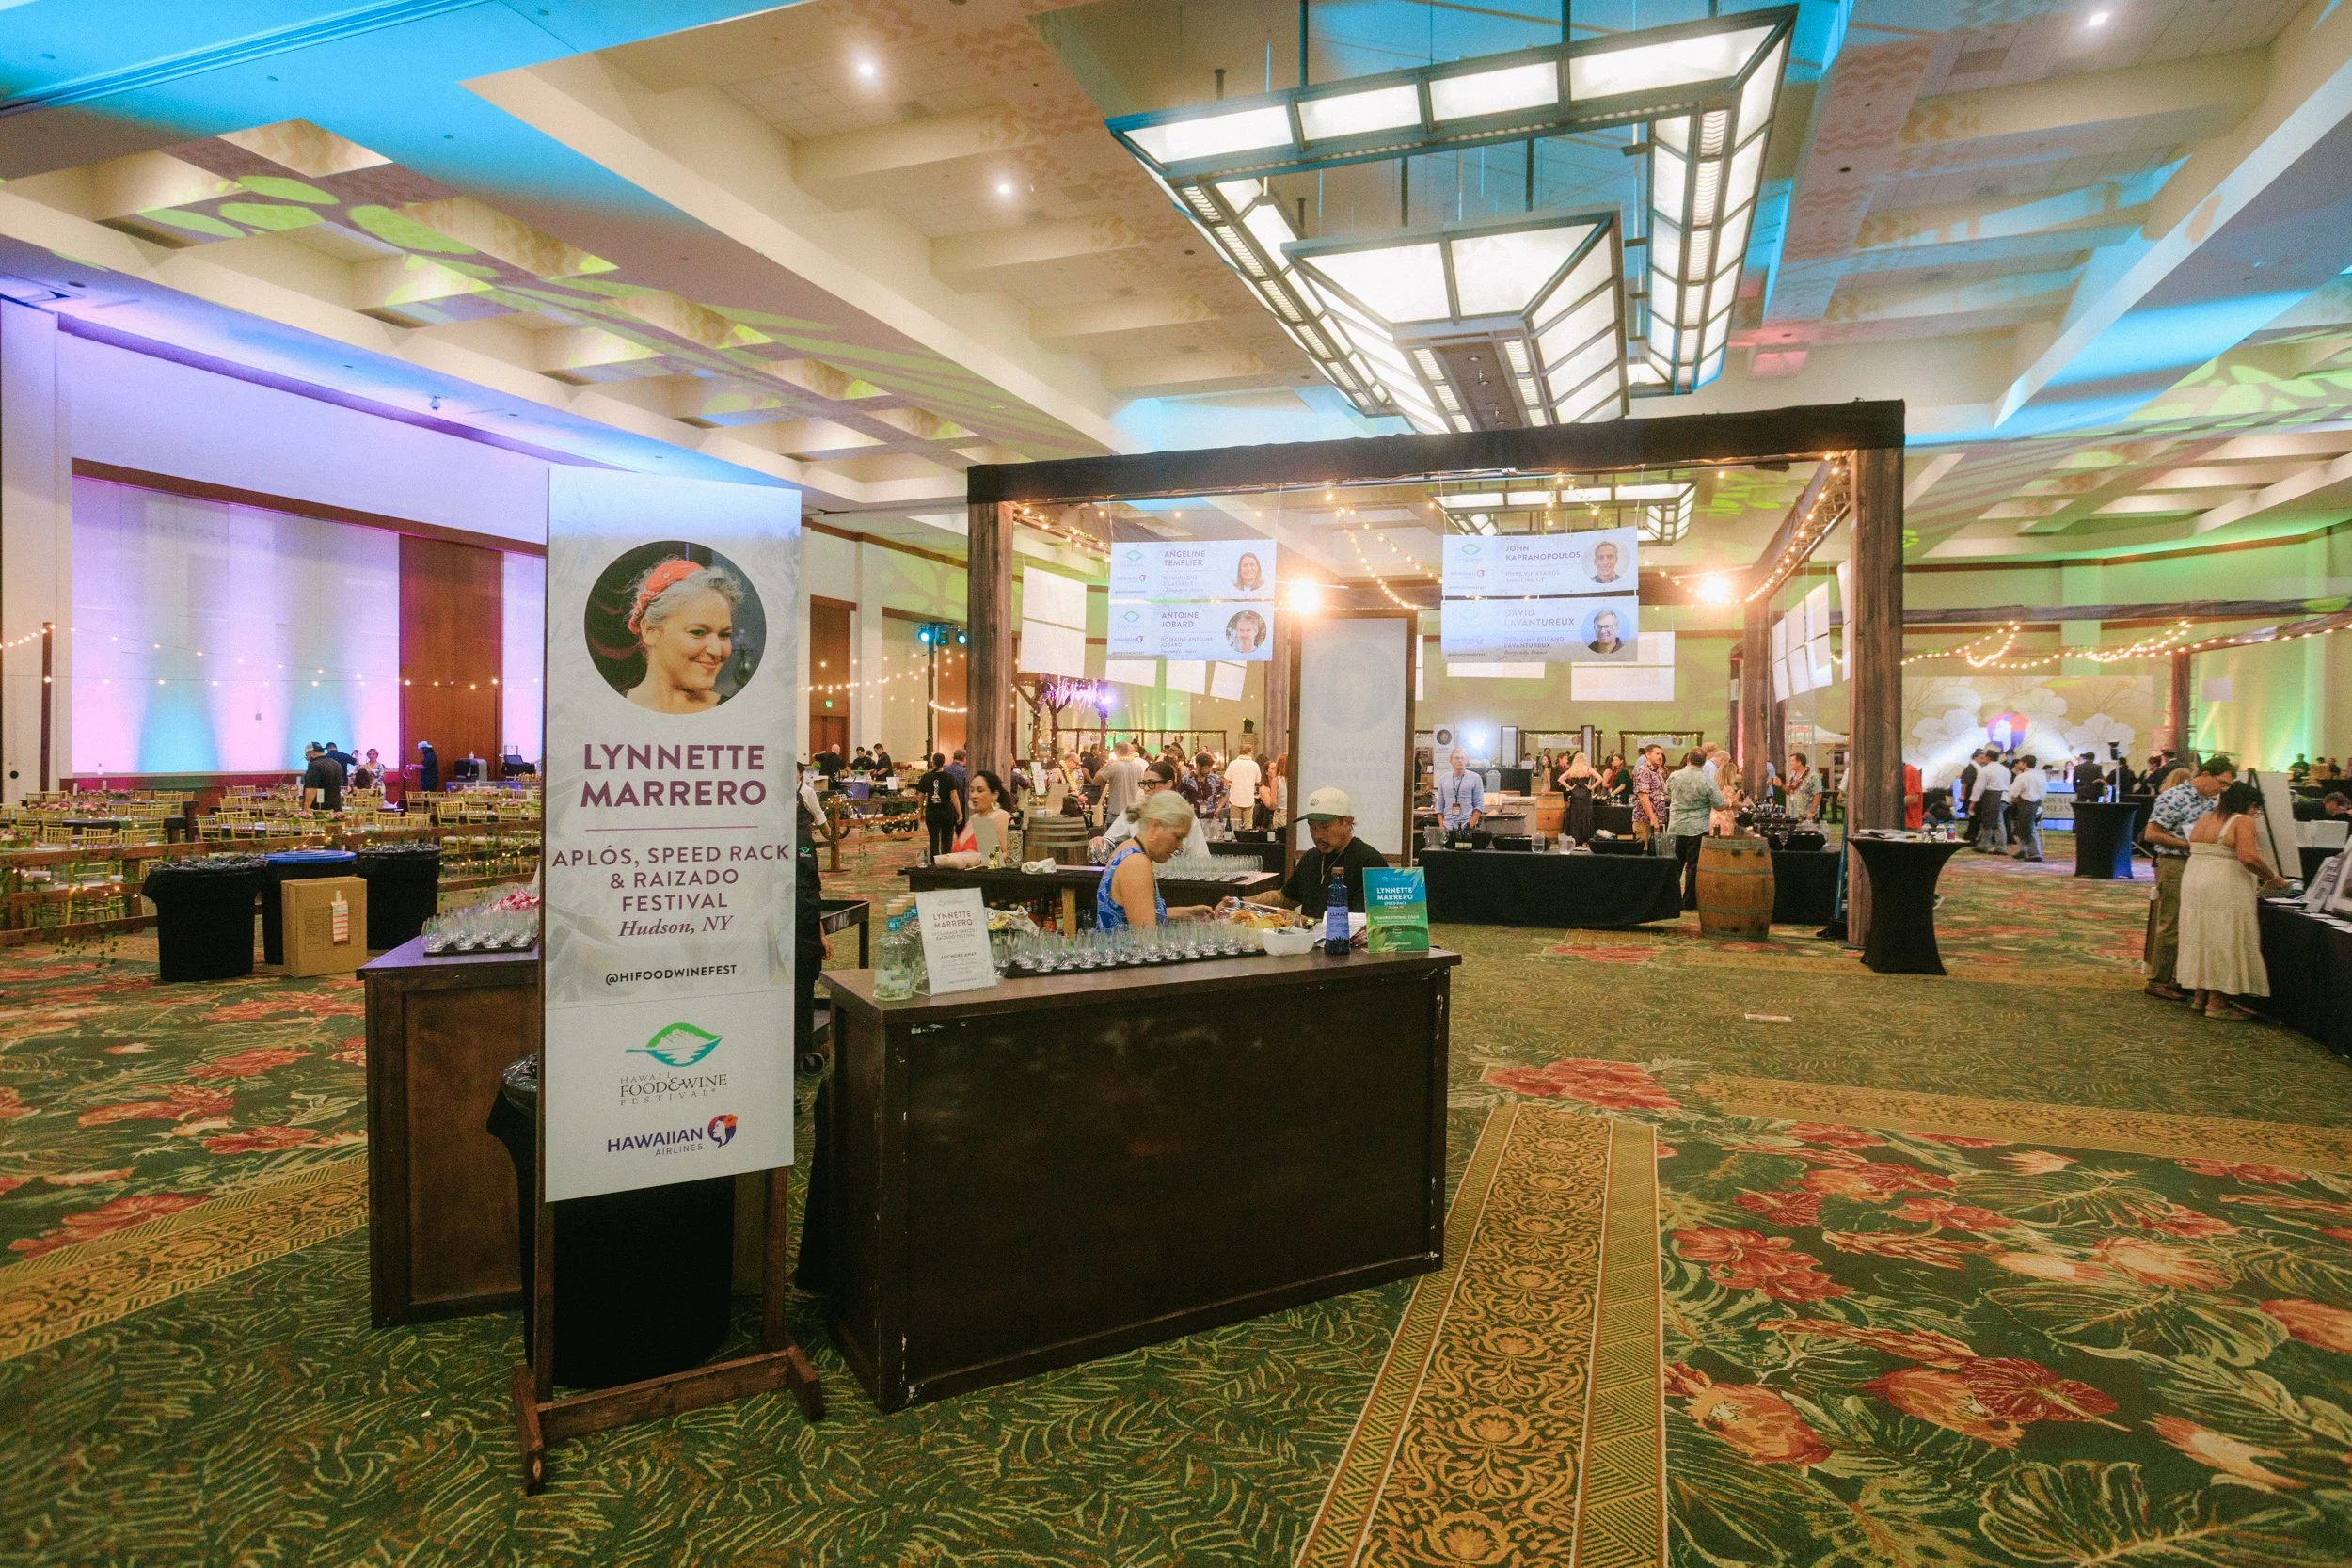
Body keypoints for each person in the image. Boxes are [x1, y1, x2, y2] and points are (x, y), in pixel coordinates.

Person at [2179, 781, 2288, 1020]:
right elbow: (2248, 856)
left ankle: (2201, 996)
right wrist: (2273, 878)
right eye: (2256, 808)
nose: (2255, 814)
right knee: (2225, 935)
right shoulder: (2241, 820)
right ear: (2249, 804)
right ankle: (2218, 1002)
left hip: (2194, 879)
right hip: (2225, 882)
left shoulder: (2205, 818)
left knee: (2202, 935)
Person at [2141, 755, 2238, 1001]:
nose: (2222, 788)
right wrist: (2185, 844)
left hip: (2199, 864)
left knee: (2192, 921)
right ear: (2205, 775)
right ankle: (2158, 979)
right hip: (2175, 863)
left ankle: (2180, 977)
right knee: (2171, 921)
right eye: (2221, 782)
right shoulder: (2174, 797)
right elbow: (2152, 834)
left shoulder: (2213, 802)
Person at [621, 558, 743, 713]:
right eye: (698, 632)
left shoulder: (737, 716)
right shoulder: (608, 714)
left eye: (724, 635)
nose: (717, 651)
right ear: (650, 631)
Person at [1249, 787, 1388, 918]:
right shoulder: (1311, 858)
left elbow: (1362, 925)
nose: (1317, 835)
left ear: (1347, 822)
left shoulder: (1370, 862)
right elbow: (1285, 898)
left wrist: (1302, 920)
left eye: (1324, 827)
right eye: (1312, 827)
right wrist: (1242, 903)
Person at [1098, 792, 1213, 930]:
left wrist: (1189, 912)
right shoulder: (1136, 864)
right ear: (1155, 826)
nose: (1179, 846)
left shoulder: (1127, 848)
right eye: (1177, 837)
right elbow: (1147, 940)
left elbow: (1138, 913)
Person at [1104, 759, 1212, 858]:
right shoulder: (1134, 810)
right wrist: (1099, 842)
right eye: (1144, 783)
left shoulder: (1185, 815)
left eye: (1151, 783)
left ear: (1168, 784)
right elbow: (1109, 840)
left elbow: (1200, 857)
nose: (1146, 789)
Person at [1666, 749, 1724, 909]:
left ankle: (1671, 900)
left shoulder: (1674, 776)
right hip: (1698, 828)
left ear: (1688, 759)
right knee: (1693, 866)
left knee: (1674, 864)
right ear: (1704, 762)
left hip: (1676, 826)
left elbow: (1666, 792)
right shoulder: (1707, 780)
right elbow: (1719, 805)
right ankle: (1689, 902)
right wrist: (1731, 803)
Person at [948, 769, 1013, 861]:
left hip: (985, 874)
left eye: (980, 791)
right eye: (971, 790)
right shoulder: (973, 818)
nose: (973, 795)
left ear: (995, 794)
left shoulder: (1001, 817)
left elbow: (1011, 856)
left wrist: (979, 860)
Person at [916, 752, 964, 859]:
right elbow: (954, 797)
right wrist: (960, 813)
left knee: (933, 840)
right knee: (946, 840)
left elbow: (921, 796)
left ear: (933, 762)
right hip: (946, 812)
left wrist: (920, 811)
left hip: (932, 812)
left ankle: (934, 863)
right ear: (943, 763)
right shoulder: (949, 777)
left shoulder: (926, 777)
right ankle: (946, 861)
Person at [2007, 755, 2047, 861]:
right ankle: (2023, 850)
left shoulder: (2022, 777)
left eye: (2020, 762)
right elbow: (2043, 793)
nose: (2019, 764)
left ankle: (2035, 854)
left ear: (2025, 764)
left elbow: (2013, 792)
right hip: (2037, 804)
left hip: (2025, 804)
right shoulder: (2040, 776)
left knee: (2028, 828)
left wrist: (2011, 799)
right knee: (2023, 827)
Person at [1968, 751, 2010, 851]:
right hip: (2004, 797)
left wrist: (1973, 801)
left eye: (1984, 757)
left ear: (1988, 758)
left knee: (1992, 822)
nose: (1983, 759)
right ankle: (1989, 845)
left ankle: (1994, 846)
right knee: (1996, 822)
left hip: (1992, 797)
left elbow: (1979, 787)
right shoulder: (2005, 769)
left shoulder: (1986, 770)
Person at [1436, 750, 1486, 834]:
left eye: (1463, 758)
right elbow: (1440, 804)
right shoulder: (1443, 779)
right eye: (1457, 758)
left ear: (1466, 760)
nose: (1460, 760)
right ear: (1451, 761)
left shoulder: (1475, 778)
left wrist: (1470, 824)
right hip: (1448, 826)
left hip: (1467, 825)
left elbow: (1479, 804)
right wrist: (1441, 824)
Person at [1632, 743, 1669, 854]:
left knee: (1657, 852)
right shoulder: (1643, 770)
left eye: (1661, 754)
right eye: (1657, 754)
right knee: (1645, 852)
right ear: (1648, 755)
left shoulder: (1657, 770)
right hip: (1645, 820)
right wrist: (1653, 819)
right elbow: (1643, 796)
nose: (1660, 757)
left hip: (1658, 818)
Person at [1558, 751, 1597, 843]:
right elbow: (1600, 778)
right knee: (1585, 815)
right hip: (1585, 793)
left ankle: (1575, 838)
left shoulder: (1572, 769)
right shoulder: (1588, 769)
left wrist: (1571, 788)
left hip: (1575, 793)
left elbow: (1560, 779)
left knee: (1575, 815)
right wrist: (1591, 787)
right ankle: (1585, 840)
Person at [1100, 741, 1145, 821]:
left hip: (1116, 811)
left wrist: (1105, 766)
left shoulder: (1114, 766)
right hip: (1133, 811)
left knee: (1112, 833)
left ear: (1116, 752)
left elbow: (1096, 780)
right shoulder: (1138, 767)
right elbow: (1142, 786)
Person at [1222, 741, 1262, 832]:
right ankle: (1247, 842)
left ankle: (1234, 841)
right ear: (1250, 751)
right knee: (1248, 824)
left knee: (1234, 824)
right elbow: (1258, 781)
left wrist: (1232, 785)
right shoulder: (1255, 765)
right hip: (1249, 798)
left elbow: (1226, 780)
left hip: (1235, 798)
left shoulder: (1233, 764)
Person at [1179, 752, 1227, 822]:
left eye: (1210, 768)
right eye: (1207, 768)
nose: (1209, 770)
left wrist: (1219, 807)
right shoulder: (1187, 780)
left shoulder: (1215, 779)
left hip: (1211, 819)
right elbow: (1179, 798)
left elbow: (1226, 793)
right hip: (1193, 820)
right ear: (1198, 766)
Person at [300, 743, 343, 812]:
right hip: (336, 808)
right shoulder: (337, 764)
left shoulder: (314, 766)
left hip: (319, 810)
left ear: (311, 753)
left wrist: (305, 810)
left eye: (306, 756)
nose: (307, 759)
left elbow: (311, 789)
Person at [1786, 752, 1821, 821]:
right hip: (1794, 813)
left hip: (1807, 815)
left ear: (1799, 762)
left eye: (1792, 761)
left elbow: (1818, 794)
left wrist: (1812, 812)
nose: (1790, 763)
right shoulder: (1792, 775)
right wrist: (1781, 785)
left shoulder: (1813, 776)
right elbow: (1790, 791)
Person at [1259, 752, 1287, 831]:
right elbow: (1270, 806)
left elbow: (1273, 804)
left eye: (1275, 767)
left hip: (1280, 813)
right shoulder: (1264, 788)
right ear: (1266, 772)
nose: (1274, 770)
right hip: (1268, 817)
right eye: (1272, 768)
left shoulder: (1276, 780)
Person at [1902, 760, 1924, 831]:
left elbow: (1913, 798)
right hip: (1898, 825)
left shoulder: (1909, 770)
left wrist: (1888, 806)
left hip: (1909, 827)